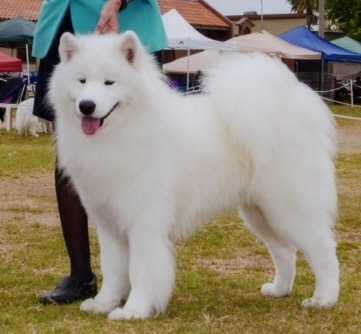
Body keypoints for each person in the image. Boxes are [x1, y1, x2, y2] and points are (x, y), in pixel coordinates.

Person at [32, 0, 167, 305]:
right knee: (73, 152)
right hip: (63, 22)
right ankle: (82, 275)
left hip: (126, 25)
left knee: (140, 163)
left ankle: (142, 279)